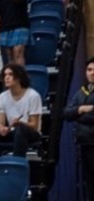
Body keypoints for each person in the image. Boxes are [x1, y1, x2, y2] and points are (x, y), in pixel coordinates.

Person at [0, 63, 42, 157]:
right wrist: (2, 129)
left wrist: (20, 123)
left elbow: (34, 126)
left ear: (19, 77)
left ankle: (17, 162)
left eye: (10, 74)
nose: (7, 77)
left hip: (30, 133)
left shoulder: (33, 96)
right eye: (5, 75)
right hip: (12, 131)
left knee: (20, 130)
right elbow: (0, 123)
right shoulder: (2, 97)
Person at [65, 57, 94, 201]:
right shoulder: (81, 92)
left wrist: (78, 115)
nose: (92, 73)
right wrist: (82, 109)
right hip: (83, 143)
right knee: (87, 184)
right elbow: (66, 113)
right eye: (89, 70)